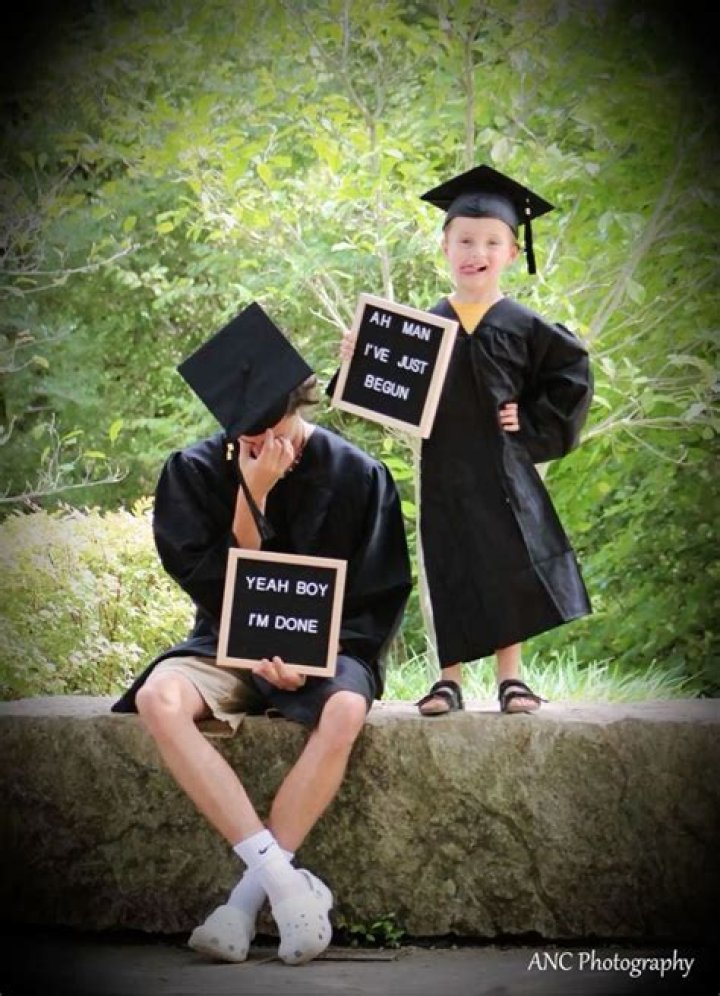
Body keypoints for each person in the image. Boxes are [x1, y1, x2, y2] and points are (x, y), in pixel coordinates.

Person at [112, 301, 411, 965]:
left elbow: (377, 596)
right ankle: (284, 884)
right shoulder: (193, 472)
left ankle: (241, 905)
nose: (255, 444)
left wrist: (314, 662)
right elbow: (214, 590)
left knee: (344, 709)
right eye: (242, 437)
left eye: (267, 431)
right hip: (222, 643)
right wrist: (251, 497)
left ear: (295, 405)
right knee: (161, 698)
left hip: (331, 653)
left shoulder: (358, 475)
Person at [340, 164, 592, 716]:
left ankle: (511, 679)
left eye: (491, 241)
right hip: (446, 469)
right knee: (448, 565)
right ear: (445, 246)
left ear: (510, 252)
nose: (476, 250)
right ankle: (447, 680)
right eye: (465, 240)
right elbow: (385, 387)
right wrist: (359, 358)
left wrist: (527, 420)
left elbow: (572, 375)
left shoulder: (524, 324)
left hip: (504, 471)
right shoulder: (424, 324)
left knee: (510, 565)